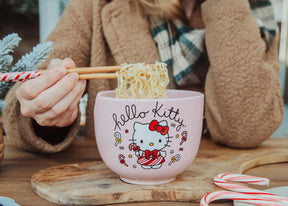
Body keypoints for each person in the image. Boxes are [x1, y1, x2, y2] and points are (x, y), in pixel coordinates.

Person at [3, 0, 284, 153]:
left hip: (217, 187)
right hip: (113, 188)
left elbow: (247, 128)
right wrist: (46, 114)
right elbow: (22, 103)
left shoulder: (254, 13)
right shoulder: (96, 6)